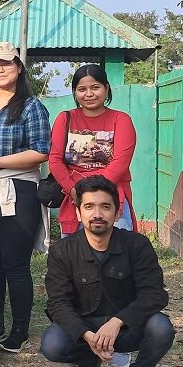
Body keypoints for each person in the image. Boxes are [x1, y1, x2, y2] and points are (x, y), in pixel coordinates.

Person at [40, 175, 175, 367]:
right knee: (52, 345)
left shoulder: (137, 245)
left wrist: (117, 322)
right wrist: (86, 335)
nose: (97, 214)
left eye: (105, 207)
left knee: (161, 328)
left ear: (117, 212)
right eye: (89, 207)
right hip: (85, 327)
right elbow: (57, 303)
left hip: (126, 327)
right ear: (78, 213)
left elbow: (154, 295)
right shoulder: (62, 250)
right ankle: (88, 361)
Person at [0, 41, 50, 353]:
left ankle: (19, 330)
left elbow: (41, 151)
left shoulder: (31, 106)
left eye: (6, 63)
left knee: (15, 263)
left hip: (19, 189)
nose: (0, 69)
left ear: (18, 67)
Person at [49, 64, 136, 237]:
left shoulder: (121, 120)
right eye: (82, 89)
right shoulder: (65, 118)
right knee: (74, 250)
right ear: (75, 92)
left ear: (106, 89)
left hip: (111, 194)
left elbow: (120, 162)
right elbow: (55, 160)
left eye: (95, 87)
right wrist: (74, 191)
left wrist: (95, 194)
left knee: (118, 248)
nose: (89, 94)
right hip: (74, 196)